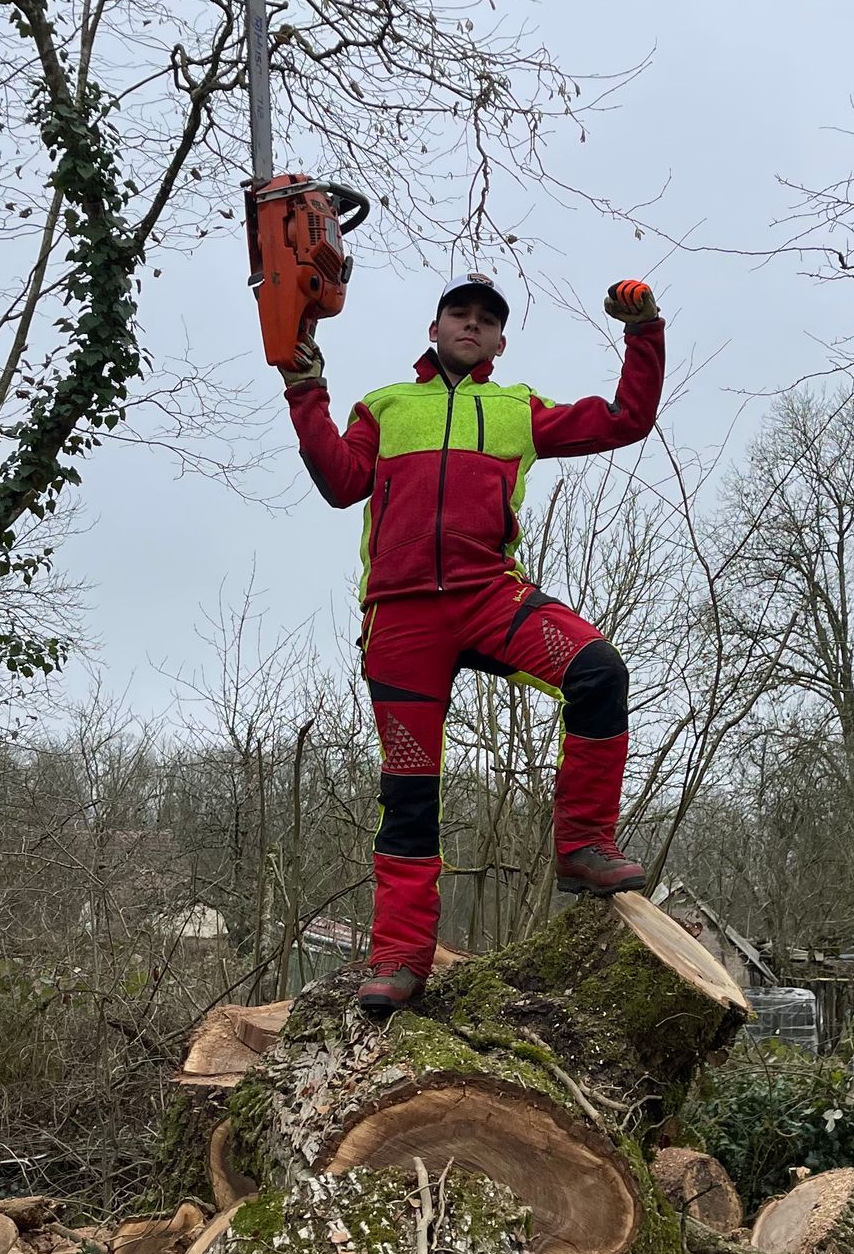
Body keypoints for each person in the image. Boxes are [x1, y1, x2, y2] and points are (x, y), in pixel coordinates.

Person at [282, 270, 664, 1011]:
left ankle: (584, 846)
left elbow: (624, 418)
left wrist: (643, 331)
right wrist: (306, 388)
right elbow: (338, 480)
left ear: (501, 340)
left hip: (489, 595)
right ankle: (397, 959)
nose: (471, 324)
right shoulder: (387, 405)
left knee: (598, 670)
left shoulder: (519, 408)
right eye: (458, 313)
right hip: (400, 622)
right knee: (410, 791)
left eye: (486, 319)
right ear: (434, 329)